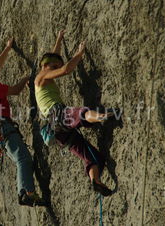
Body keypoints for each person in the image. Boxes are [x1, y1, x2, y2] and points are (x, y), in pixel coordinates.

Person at [34, 30, 113, 196]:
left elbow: (53, 58)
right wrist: (80, 53)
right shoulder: (41, 76)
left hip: (56, 130)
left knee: (92, 157)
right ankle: (102, 117)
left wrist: (59, 39)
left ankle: (95, 181)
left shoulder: (44, 75)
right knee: (81, 113)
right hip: (57, 115)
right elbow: (66, 69)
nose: (55, 69)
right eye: (53, 67)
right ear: (44, 66)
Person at [0, 38, 44, 206]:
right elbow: (14, 90)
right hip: (2, 126)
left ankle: (25, 192)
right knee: (23, 159)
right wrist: (26, 78)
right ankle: (26, 193)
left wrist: (7, 49)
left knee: (21, 158)